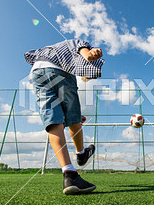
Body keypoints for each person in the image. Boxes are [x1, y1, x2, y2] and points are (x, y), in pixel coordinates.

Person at [24, 39, 104, 195]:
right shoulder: (78, 43)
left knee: (54, 122)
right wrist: (89, 54)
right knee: (74, 120)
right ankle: (81, 154)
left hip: (37, 74)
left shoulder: (51, 49)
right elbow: (83, 49)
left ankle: (69, 173)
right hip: (59, 72)